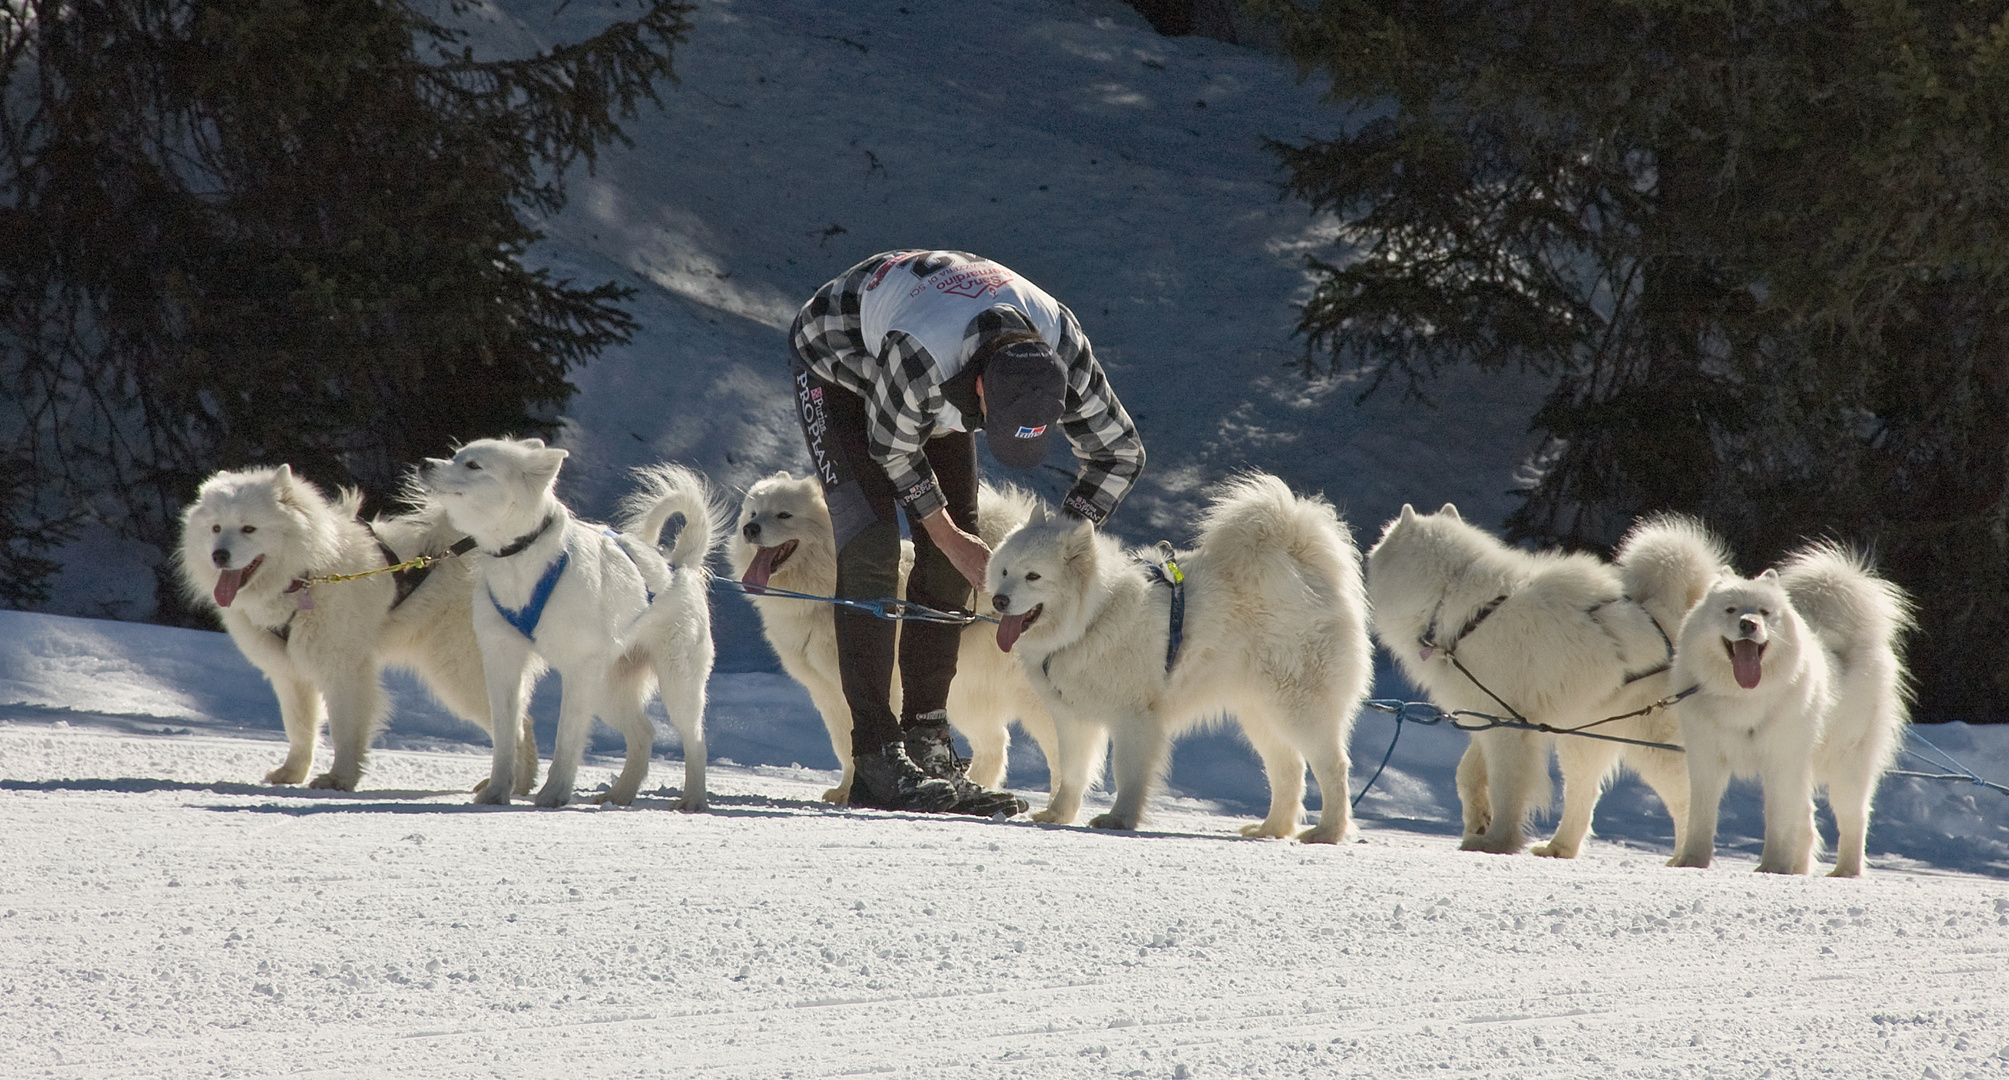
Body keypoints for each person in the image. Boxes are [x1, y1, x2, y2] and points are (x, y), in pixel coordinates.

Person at [789, 250, 1146, 814]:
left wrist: (1055, 547)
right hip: (837, 356)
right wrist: (950, 538)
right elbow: (890, 448)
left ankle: (927, 740)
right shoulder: (923, 358)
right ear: (979, 392)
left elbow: (1121, 454)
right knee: (874, 546)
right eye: (991, 425)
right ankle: (876, 758)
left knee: (952, 545)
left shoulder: (1065, 347)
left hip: (934, 370)